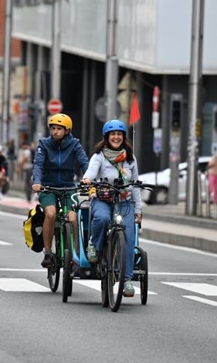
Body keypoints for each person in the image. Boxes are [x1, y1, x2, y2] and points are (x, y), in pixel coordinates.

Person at [80, 119, 141, 298]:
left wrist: (138, 210)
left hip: (125, 202)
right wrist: (87, 180)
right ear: (107, 137)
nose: (116, 137)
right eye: (113, 134)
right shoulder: (99, 155)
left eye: (119, 134)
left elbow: (135, 185)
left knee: (129, 238)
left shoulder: (130, 158)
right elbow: (91, 172)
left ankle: (127, 279)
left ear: (124, 137)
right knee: (102, 218)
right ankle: (94, 245)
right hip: (103, 199)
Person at [31, 113, 89, 268]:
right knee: (50, 214)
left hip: (69, 187)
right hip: (48, 187)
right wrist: (37, 182)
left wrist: (89, 178)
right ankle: (48, 253)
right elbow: (38, 164)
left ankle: (77, 253)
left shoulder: (75, 144)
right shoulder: (44, 144)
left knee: (73, 218)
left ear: (67, 130)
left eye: (59, 129)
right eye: (53, 128)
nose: (55, 132)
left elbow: (84, 162)